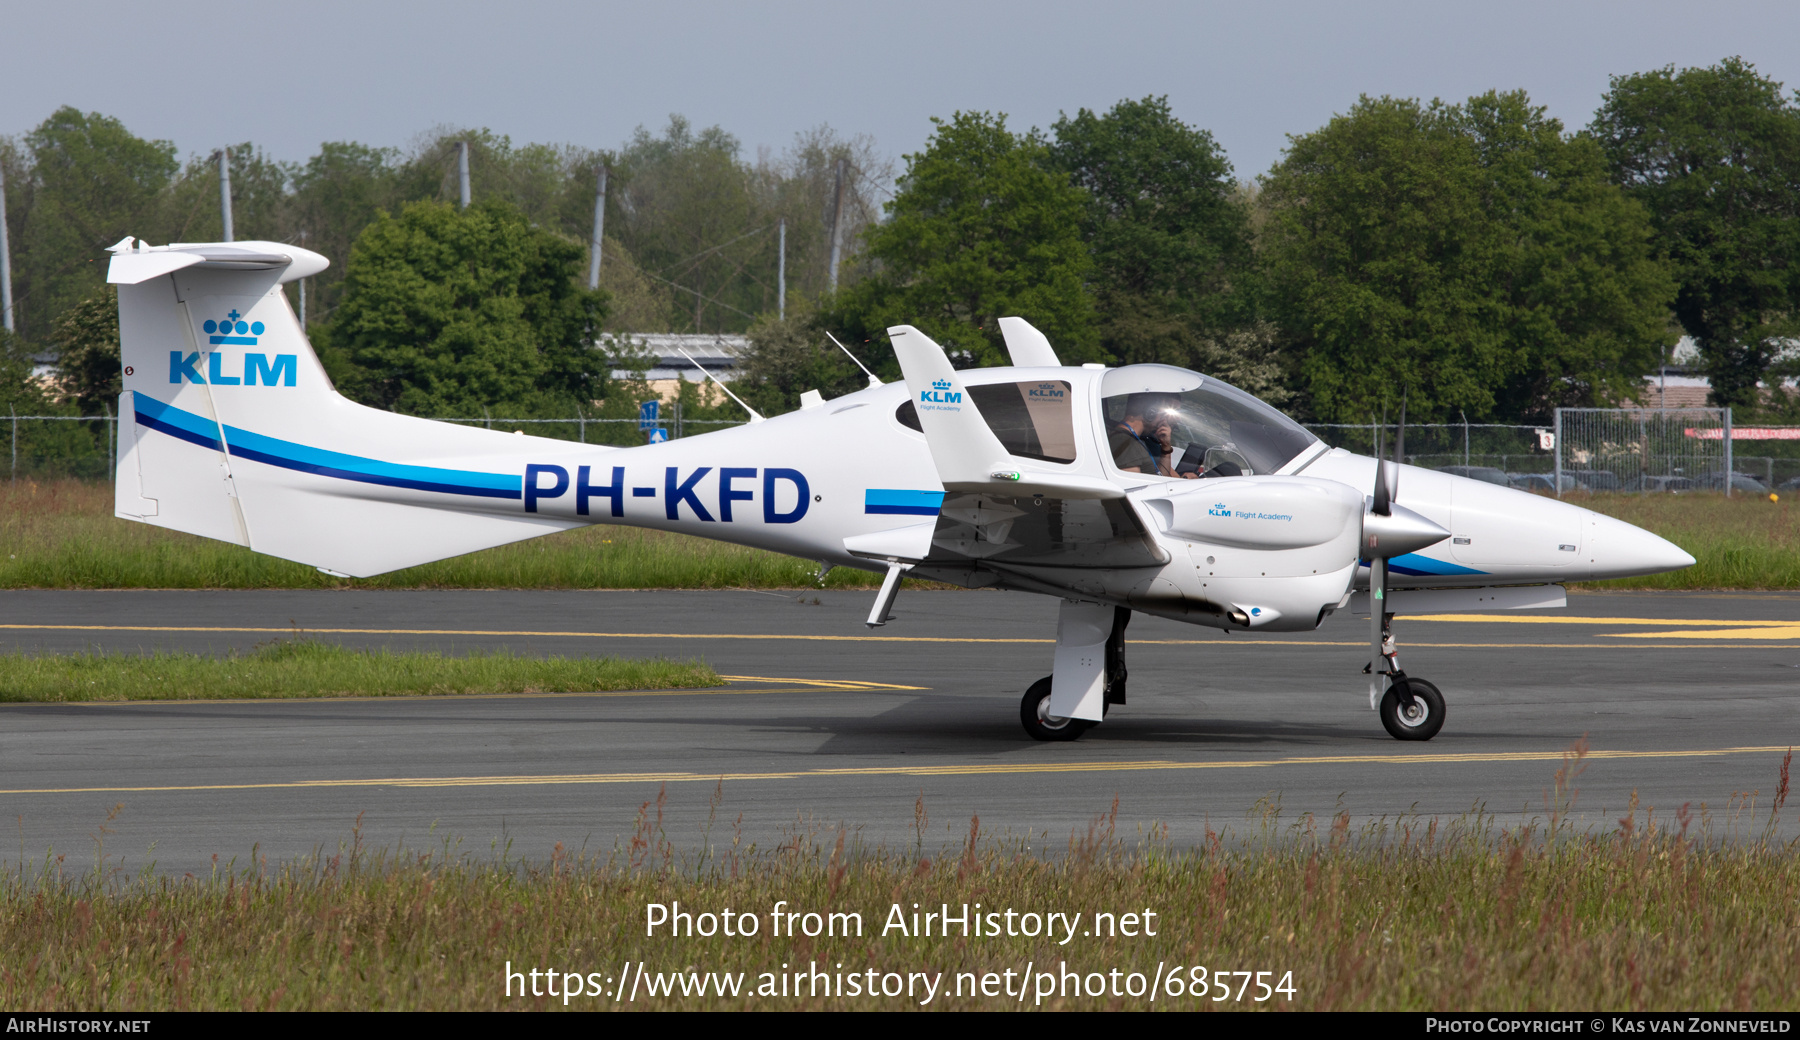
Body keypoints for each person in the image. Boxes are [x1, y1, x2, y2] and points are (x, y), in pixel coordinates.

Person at [1110, 394, 1188, 476]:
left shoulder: (1132, 441)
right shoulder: (1125, 443)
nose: (1163, 419)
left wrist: (1166, 447)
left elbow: (1162, 478)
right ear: (1151, 414)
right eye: (1161, 414)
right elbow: (1134, 485)